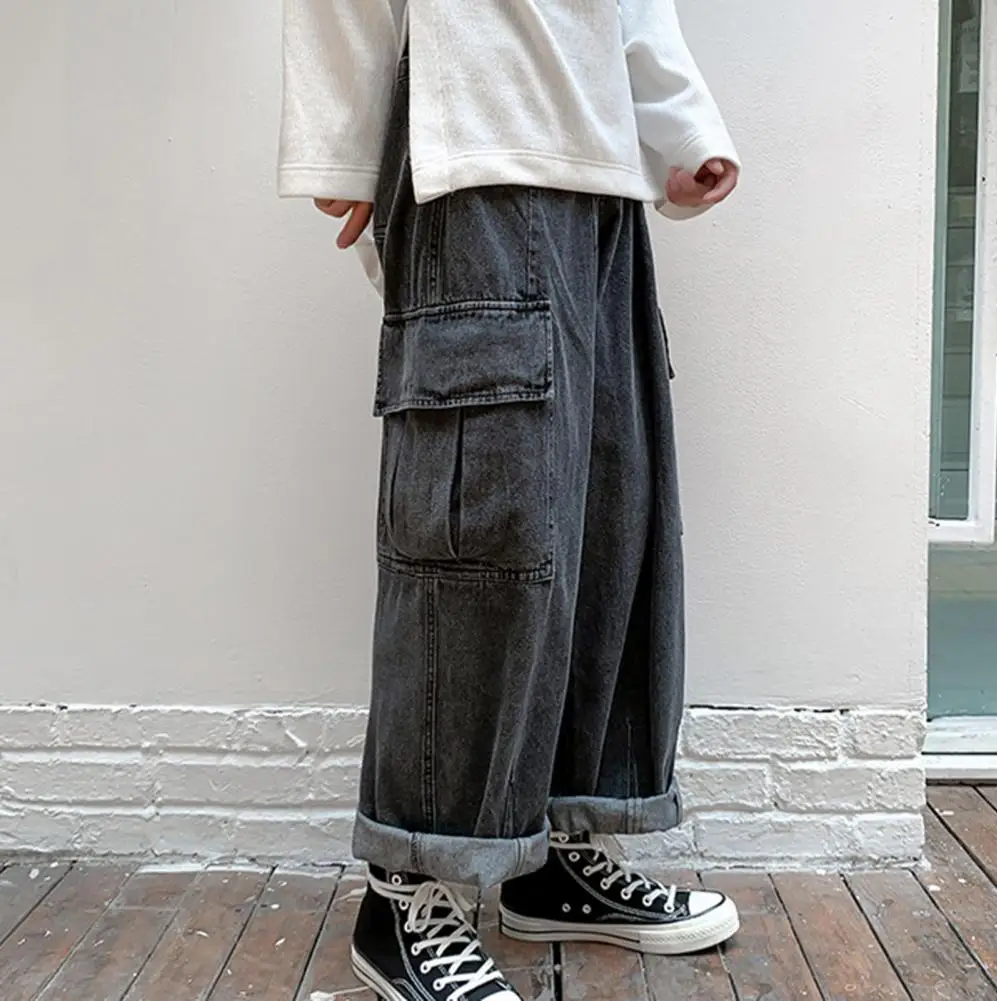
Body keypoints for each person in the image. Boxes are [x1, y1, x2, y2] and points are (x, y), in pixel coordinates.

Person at [279, 2, 741, 999]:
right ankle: (405, 893)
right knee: (477, 542)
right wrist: (339, 145)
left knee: (605, 528)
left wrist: (680, 127)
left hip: (603, 178)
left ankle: (553, 858)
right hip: (471, 157)